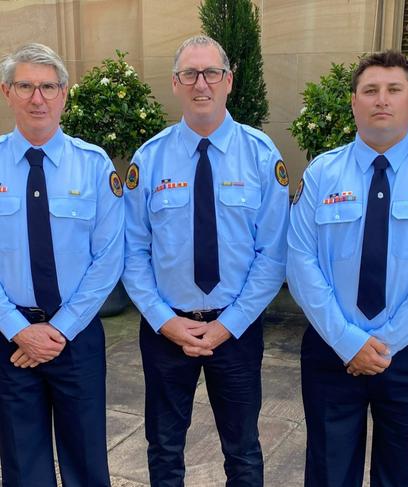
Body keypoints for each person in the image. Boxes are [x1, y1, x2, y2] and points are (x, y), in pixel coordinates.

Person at [287, 50, 408, 486]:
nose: (381, 100)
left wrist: (382, 344)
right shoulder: (321, 173)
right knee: (329, 473)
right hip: (333, 350)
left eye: (393, 90)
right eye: (370, 90)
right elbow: (300, 261)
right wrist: (348, 341)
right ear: (354, 102)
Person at [122, 35, 289, 486]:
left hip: (234, 330)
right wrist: (163, 320)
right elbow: (132, 252)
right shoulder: (149, 159)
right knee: (163, 447)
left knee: (243, 451)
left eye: (211, 73)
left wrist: (228, 324)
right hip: (166, 331)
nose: (202, 84)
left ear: (228, 81)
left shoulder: (261, 155)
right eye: (190, 74)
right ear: (175, 84)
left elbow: (273, 255)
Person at [0, 43, 124, 486]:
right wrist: (18, 329)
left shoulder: (92, 166)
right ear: (6, 92)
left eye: (48, 86)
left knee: (87, 461)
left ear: (64, 94)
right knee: (22, 464)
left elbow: (109, 257)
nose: (38, 98)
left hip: (77, 337)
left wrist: (60, 329)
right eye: (26, 86)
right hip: (10, 339)